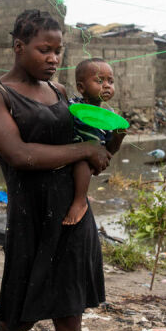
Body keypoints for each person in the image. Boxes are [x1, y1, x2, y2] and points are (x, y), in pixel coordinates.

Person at [0, 10, 115, 331]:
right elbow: (18, 154)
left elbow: (93, 151)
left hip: (73, 217)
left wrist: (104, 142)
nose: (54, 58)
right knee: (22, 308)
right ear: (19, 47)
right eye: (44, 49)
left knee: (69, 312)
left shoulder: (59, 91)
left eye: (59, 50)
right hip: (30, 218)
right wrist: (82, 149)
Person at [63, 58, 126, 225]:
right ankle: (80, 201)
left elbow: (109, 150)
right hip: (73, 154)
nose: (107, 85)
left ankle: (81, 196)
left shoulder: (108, 117)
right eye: (100, 81)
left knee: (86, 164)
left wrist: (119, 136)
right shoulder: (74, 106)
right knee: (82, 162)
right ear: (81, 87)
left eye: (110, 81)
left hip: (94, 159)